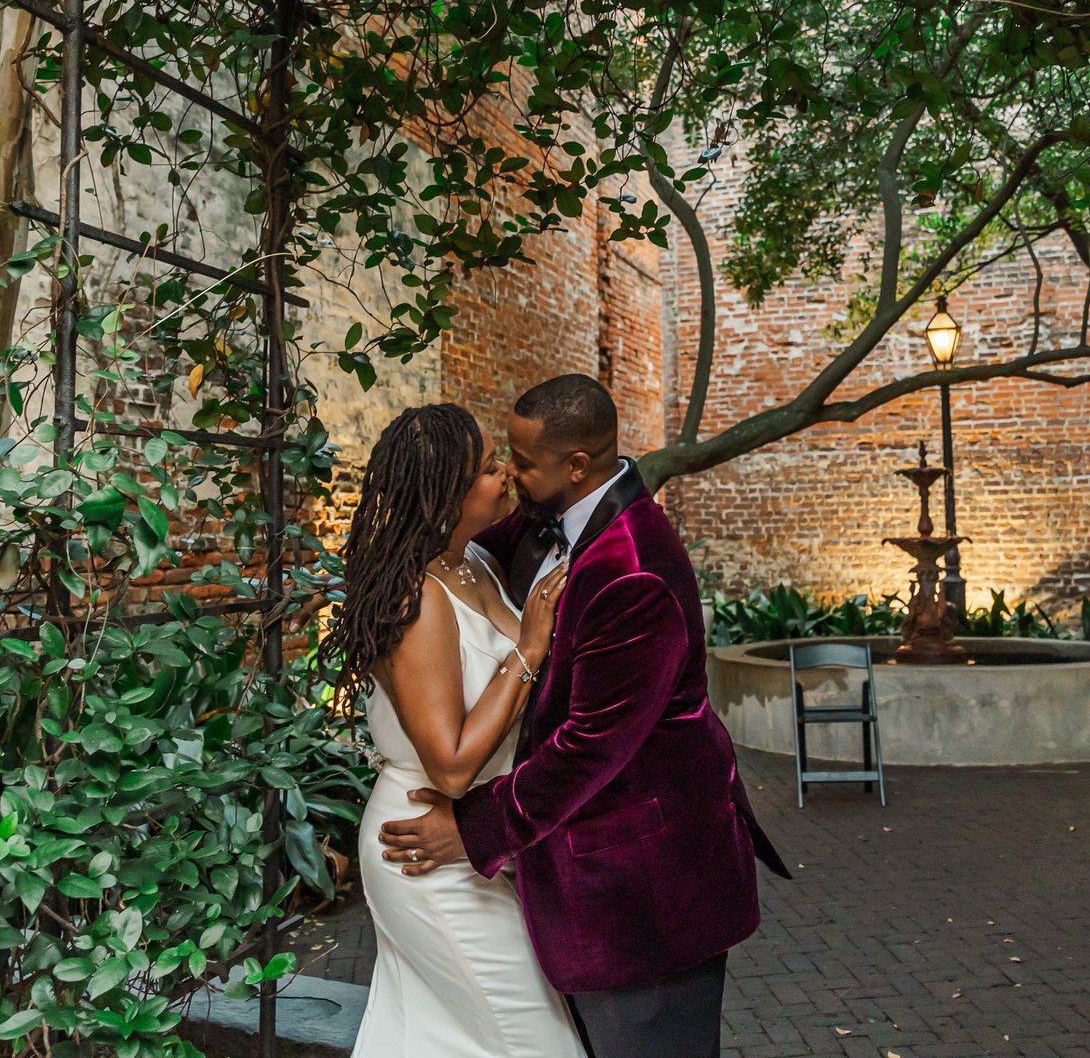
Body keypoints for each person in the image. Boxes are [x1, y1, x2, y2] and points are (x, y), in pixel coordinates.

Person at [378, 374, 788, 1058]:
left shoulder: (633, 571)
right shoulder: (546, 521)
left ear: (575, 466)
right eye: (496, 461)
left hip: (645, 891)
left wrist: (472, 827)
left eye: (521, 462)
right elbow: (452, 545)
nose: (508, 473)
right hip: (568, 880)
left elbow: (588, 746)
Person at [324, 402, 585, 1058]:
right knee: (534, 1040)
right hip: (425, 847)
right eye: (491, 469)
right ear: (446, 493)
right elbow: (451, 765)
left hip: (470, 842)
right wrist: (529, 646)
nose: (505, 478)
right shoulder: (418, 599)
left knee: (436, 1038)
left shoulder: (474, 564)